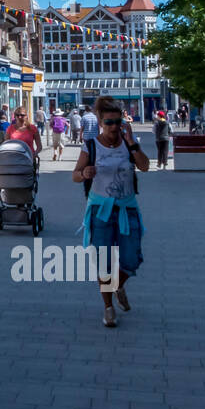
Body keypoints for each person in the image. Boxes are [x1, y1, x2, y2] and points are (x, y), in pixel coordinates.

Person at [73, 97, 150, 328]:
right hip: (101, 211)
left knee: (131, 259)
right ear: (100, 122)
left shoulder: (129, 143)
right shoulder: (91, 146)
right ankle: (108, 307)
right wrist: (84, 173)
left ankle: (117, 285)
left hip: (127, 208)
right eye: (109, 122)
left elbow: (145, 166)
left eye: (117, 121)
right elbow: (75, 175)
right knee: (104, 262)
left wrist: (132, 142)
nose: (114, 126)